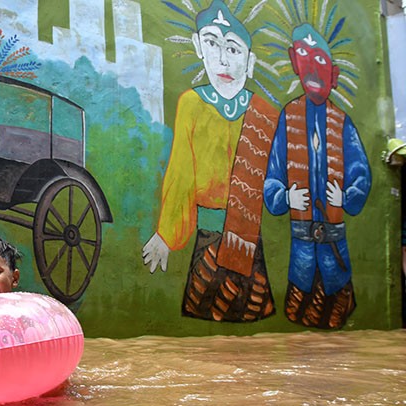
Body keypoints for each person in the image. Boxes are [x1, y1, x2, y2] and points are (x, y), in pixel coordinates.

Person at [142, 0, 279, 322]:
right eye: (212, 44)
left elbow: (278, 174)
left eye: (233, 49)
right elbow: (181, 174)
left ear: (250, 61)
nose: (223, 59)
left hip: (249, 240)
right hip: (209, 239)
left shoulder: (265, 114)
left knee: (251, 315)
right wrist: (166, 234)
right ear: (198, 47)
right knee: (206, 310)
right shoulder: (192, 104)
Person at [263, 23, 371, 329]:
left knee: (336, 321)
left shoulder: (342, 122)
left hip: (335, 257)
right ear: (294, 62)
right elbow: (272, 176)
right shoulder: (288, 117)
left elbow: (361, 173)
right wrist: (285, 197)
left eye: (320, 60)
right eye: (304, 57)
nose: (312, 68)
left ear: (334, 75)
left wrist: (346, 196)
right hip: (302, 261)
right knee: (299, 323)